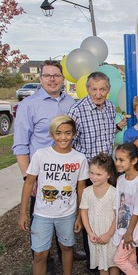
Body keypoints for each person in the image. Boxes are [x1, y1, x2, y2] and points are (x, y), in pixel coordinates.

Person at [12, 60, 77, 274]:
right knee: (41, 221)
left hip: (66, 174)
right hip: (41, 177)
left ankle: (66, 250)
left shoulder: (71, 104)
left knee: (65, 213)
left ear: (62, 78)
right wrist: (27, 178)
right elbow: (21, 145)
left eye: (56, 75)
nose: (52, 79)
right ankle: (46, 264)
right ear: (40, 79)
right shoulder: (29, 105)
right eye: (47, 75)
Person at [68, 71, 127, 274]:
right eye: (94, 89)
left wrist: (118, 128)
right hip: (88, 173)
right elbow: (70, 143)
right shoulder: (77, 111)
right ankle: (93, 260)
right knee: (90, 213)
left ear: (109, 90)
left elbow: (106, 132)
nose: (98, 93)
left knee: (110, 210)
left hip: (107, 170)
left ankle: (111, 255)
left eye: (103, 89)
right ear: (88, 88)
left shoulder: (110, 107)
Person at [18, 115, 89, 275]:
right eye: (58, 133)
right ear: (51, 135)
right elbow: (29, 183)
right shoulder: (41, 155)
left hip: (67, 214)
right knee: (40, 254)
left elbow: (81, 189)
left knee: (67, 247)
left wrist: (79, 216)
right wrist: (23, 213)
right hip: (42, 214)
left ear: (74, 134)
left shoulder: (80, 158)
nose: (63, 137)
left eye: (68, 133)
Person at [113, 143, 138, 274]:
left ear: (134, 161)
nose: (117, 163)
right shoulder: (120, 179)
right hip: (123, 227)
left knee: (119, 260)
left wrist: (129, 232)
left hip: (133, 230)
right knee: (131, 258)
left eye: (122, 160)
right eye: (116, 159)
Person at [80, 153, 119, 275]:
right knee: (102, 265)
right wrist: (90, 232)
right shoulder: (87, 192)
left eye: (98, 174)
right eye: (91, 173)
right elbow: (84, 212)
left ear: (108, 175)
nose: (93, 177)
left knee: (113, 263)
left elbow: (118, 216)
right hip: (95, 233)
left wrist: (108, 234)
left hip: (111, 234)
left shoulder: (114, 192)